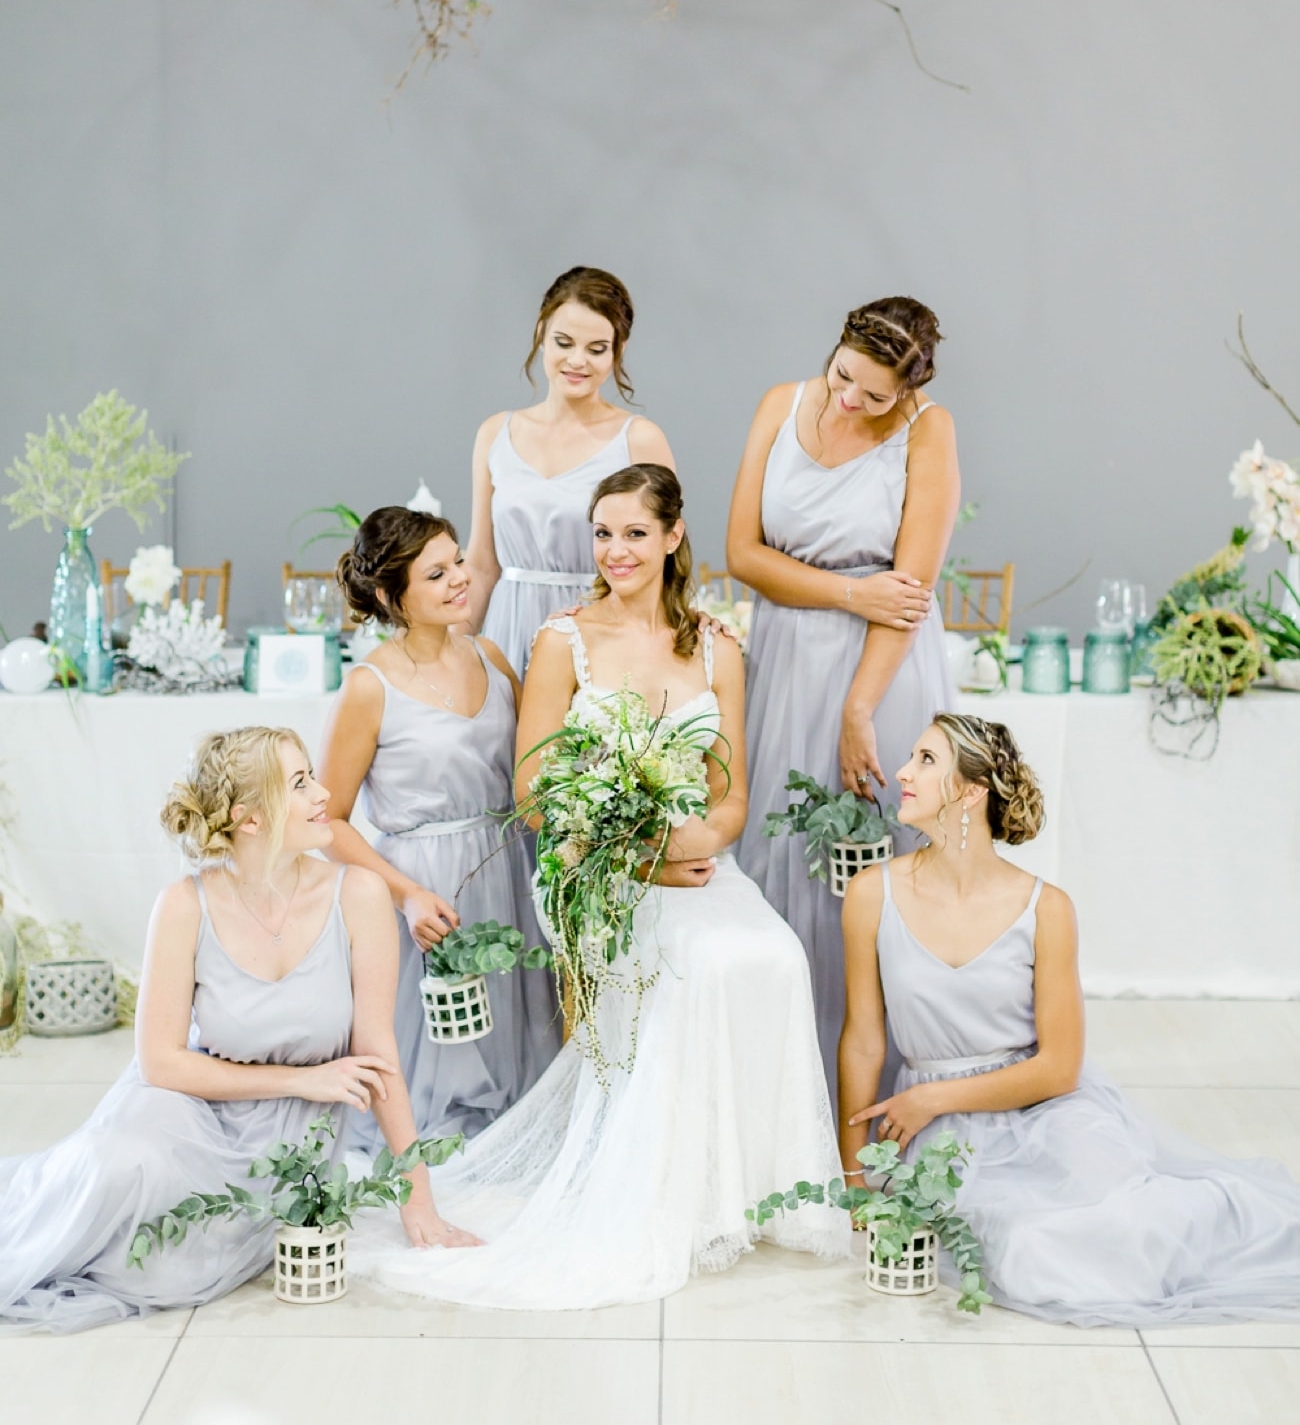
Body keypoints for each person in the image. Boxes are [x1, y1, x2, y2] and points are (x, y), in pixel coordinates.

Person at [348, 464, 847, 1308]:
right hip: (593, 868)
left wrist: (694, 844)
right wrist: (643, 856)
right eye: (603, 533)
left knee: (775, 952)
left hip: (696, 860)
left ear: (674, 537)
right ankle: (667, 1186)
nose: (616, 551)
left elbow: (732, 801)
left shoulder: (719, 645)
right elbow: (536, 795)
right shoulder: (559, 640)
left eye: (635, 534)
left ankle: (745, 1187)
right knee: (703, 963)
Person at [0, 727, 476, 1332]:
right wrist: (305, 1081)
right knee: (110, 1168)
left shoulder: (358, 894)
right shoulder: (182, 905)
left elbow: (379, 1059)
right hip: (184, 1109)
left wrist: (420, 1205)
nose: (323, 792)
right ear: (249, 819)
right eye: (300, 783)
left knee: (166, 1271)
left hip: (283, 1148)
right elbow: (161, 1065)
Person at [839, 713, 1300, 1326]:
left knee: (1131, 1220)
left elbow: (1059, 1068)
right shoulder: (873, 894)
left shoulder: (1047, 908)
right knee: (1032, 1249)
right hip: (941, 1140)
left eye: (925, 760)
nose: (902, 771)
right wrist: (855, 1178)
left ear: (971, 792)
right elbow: (864, 1042)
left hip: (1047, 1113)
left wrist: (936, 1098)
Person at [728, 297, 960, 1087]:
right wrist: (849, 594)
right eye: (843, 379)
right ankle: (782, 1088)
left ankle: (878, 1089)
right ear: (835, 350)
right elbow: (742, 554)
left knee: (871, 860)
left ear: (909, 391)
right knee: (781, 855)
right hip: (787, 661)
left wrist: (860, 708)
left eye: (875, 396)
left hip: (883, 669)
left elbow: (911, 588)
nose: (849, 401)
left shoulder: (930, 432)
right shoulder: (779, 404)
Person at [320, 506, 557, 1143]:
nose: (461, 579)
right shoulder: (370, 686)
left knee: (515, 1023)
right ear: (388, 595)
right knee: (444, 1044)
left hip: (508, 865)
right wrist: (405, 896)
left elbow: (539, 759)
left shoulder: (490, 655)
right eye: (437, 574)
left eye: (458, 563)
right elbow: (328, 822)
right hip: (426, 886)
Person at [465, 265, 674, 676]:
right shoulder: (494, 434)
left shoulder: (640, 440)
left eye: (597, 349)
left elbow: (663, 562)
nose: (577, 361)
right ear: (541, 333)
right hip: (505, 632)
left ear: (619, 350)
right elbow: (481, 564)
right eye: (564, 342)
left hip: (600, 635)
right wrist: (448, 655)